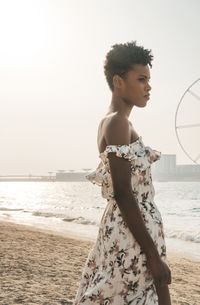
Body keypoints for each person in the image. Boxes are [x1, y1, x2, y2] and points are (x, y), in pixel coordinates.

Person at [74, 41, 171, 305]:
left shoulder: (115, 120)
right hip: (132, 234)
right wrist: (152, 254)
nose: (148, 87)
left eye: (149, 80)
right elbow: (124, 193)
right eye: (141, 79)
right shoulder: (117, 121)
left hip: (130, 229)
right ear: (118, 81)